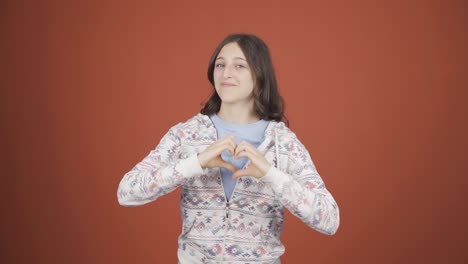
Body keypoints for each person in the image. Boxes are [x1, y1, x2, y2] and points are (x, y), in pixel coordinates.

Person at [117, 33, 340, 263]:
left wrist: (270, 174)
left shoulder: (281, 143)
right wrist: (196, 163)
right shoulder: (187, 134)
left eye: (239, 66)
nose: (226, 73)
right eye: (220, 64)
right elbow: (127, 191)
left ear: (260, 75)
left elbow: (329, 219)